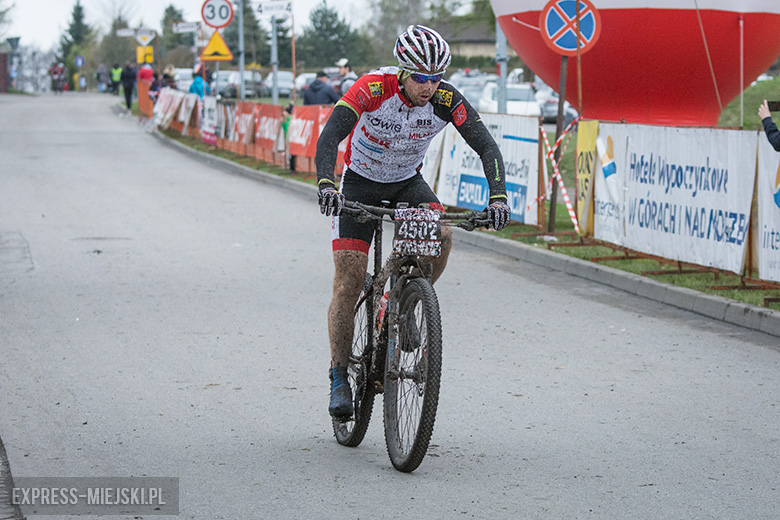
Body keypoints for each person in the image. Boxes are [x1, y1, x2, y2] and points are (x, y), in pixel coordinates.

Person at [315, 24, 511, 419]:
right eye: (421, 77)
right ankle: (338, 374)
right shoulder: (372, 88)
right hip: (360, 183)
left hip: (407, 182)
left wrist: (498, 197)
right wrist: (326, 184)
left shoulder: (443, 98)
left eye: (436, 77)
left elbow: (485, 145)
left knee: (441, 233)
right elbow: (331, 134)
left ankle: (402, 301)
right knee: (349, 281)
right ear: (402, 71)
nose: (429, 85)